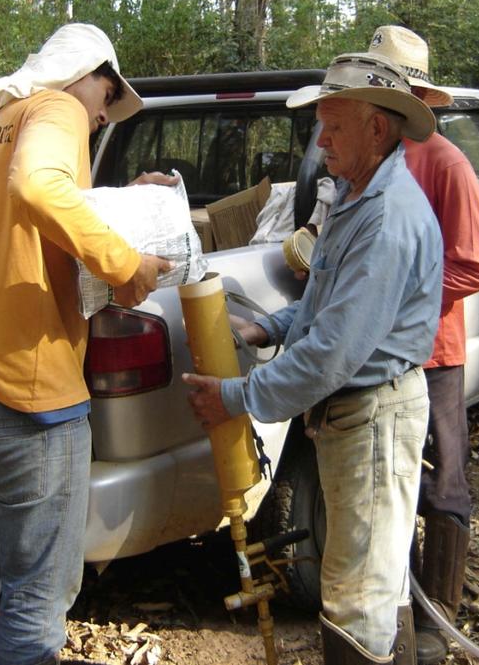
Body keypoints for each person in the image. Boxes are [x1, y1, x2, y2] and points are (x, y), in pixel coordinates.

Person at [0, 23, 174, 665]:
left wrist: (118, 204)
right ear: (85, 73)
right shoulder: (57, 107)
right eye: (107, 94)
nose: (104, 113)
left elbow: (13, 218)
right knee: (34, 603)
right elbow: (37, 188)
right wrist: (124, 260)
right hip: (31, 399)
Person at [184, 50, 443, 665]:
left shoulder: (385, 218)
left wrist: (234, 399)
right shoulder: (357, 196)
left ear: (377, 128)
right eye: (319, 123)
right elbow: (325, 304)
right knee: (371, 580)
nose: (319, 139)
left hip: (375, 415)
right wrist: (267, 327)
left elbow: (333, 350)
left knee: (359, 595)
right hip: (357, 415)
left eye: (334, 124)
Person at [366, 25, 479, 665]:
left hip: (434, 354)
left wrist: (402, 295)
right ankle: (392, 616)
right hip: (378, 356)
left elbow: (477, 263)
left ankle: (436, 623)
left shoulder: (445, 163)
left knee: (443, 485)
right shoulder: (372, 156)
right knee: (387, 486)